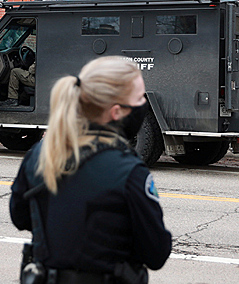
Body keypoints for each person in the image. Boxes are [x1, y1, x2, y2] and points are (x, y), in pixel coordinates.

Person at [9, 56, 172, 283]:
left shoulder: (38, 154)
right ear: (116, 112)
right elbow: (156, 253)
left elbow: (20, 218)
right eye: (138, 98)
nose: (142, 104)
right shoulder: (129, 171)